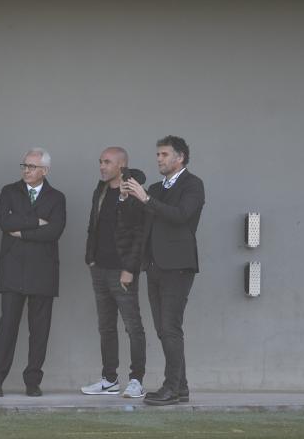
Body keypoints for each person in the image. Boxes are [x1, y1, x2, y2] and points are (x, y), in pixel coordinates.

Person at [123, 135, 205, 405]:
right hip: (155, 266)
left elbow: (180, 215)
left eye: (164, 154)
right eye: (158, 154)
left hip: (178, 266)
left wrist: (145, 198)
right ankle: (181, 387)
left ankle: (171, 387)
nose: (159, 159)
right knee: (163, 328)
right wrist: (127, 198)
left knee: (170, 327)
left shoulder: (193, 185)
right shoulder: (156, 188)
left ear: (180, 157)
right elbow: (141, 223)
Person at [0, 148, 66, 397]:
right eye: (24, 165)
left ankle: (33, 381)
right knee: (7, 327)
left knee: (39, 330)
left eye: (32, 167)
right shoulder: (9, 191)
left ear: (45, 170)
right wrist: (35, 223)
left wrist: (21, 231)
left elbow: (54, 231)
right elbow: (4, 222)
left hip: (43, 271)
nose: (26, 170)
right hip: (13, 269)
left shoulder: (56, 197)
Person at [81, 147, 147, 398]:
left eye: (107, 162)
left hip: (123, 272)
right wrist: (91, 258)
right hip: (99, 269)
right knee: (106, 327)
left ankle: (136, 380)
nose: (102, 166)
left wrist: (130, 269)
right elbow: (93, 225)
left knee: (133, 326)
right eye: (100, 161)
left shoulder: (133, 191)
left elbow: (140, 234)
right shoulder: (100, 190)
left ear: (121, 166)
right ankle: (109, 379)